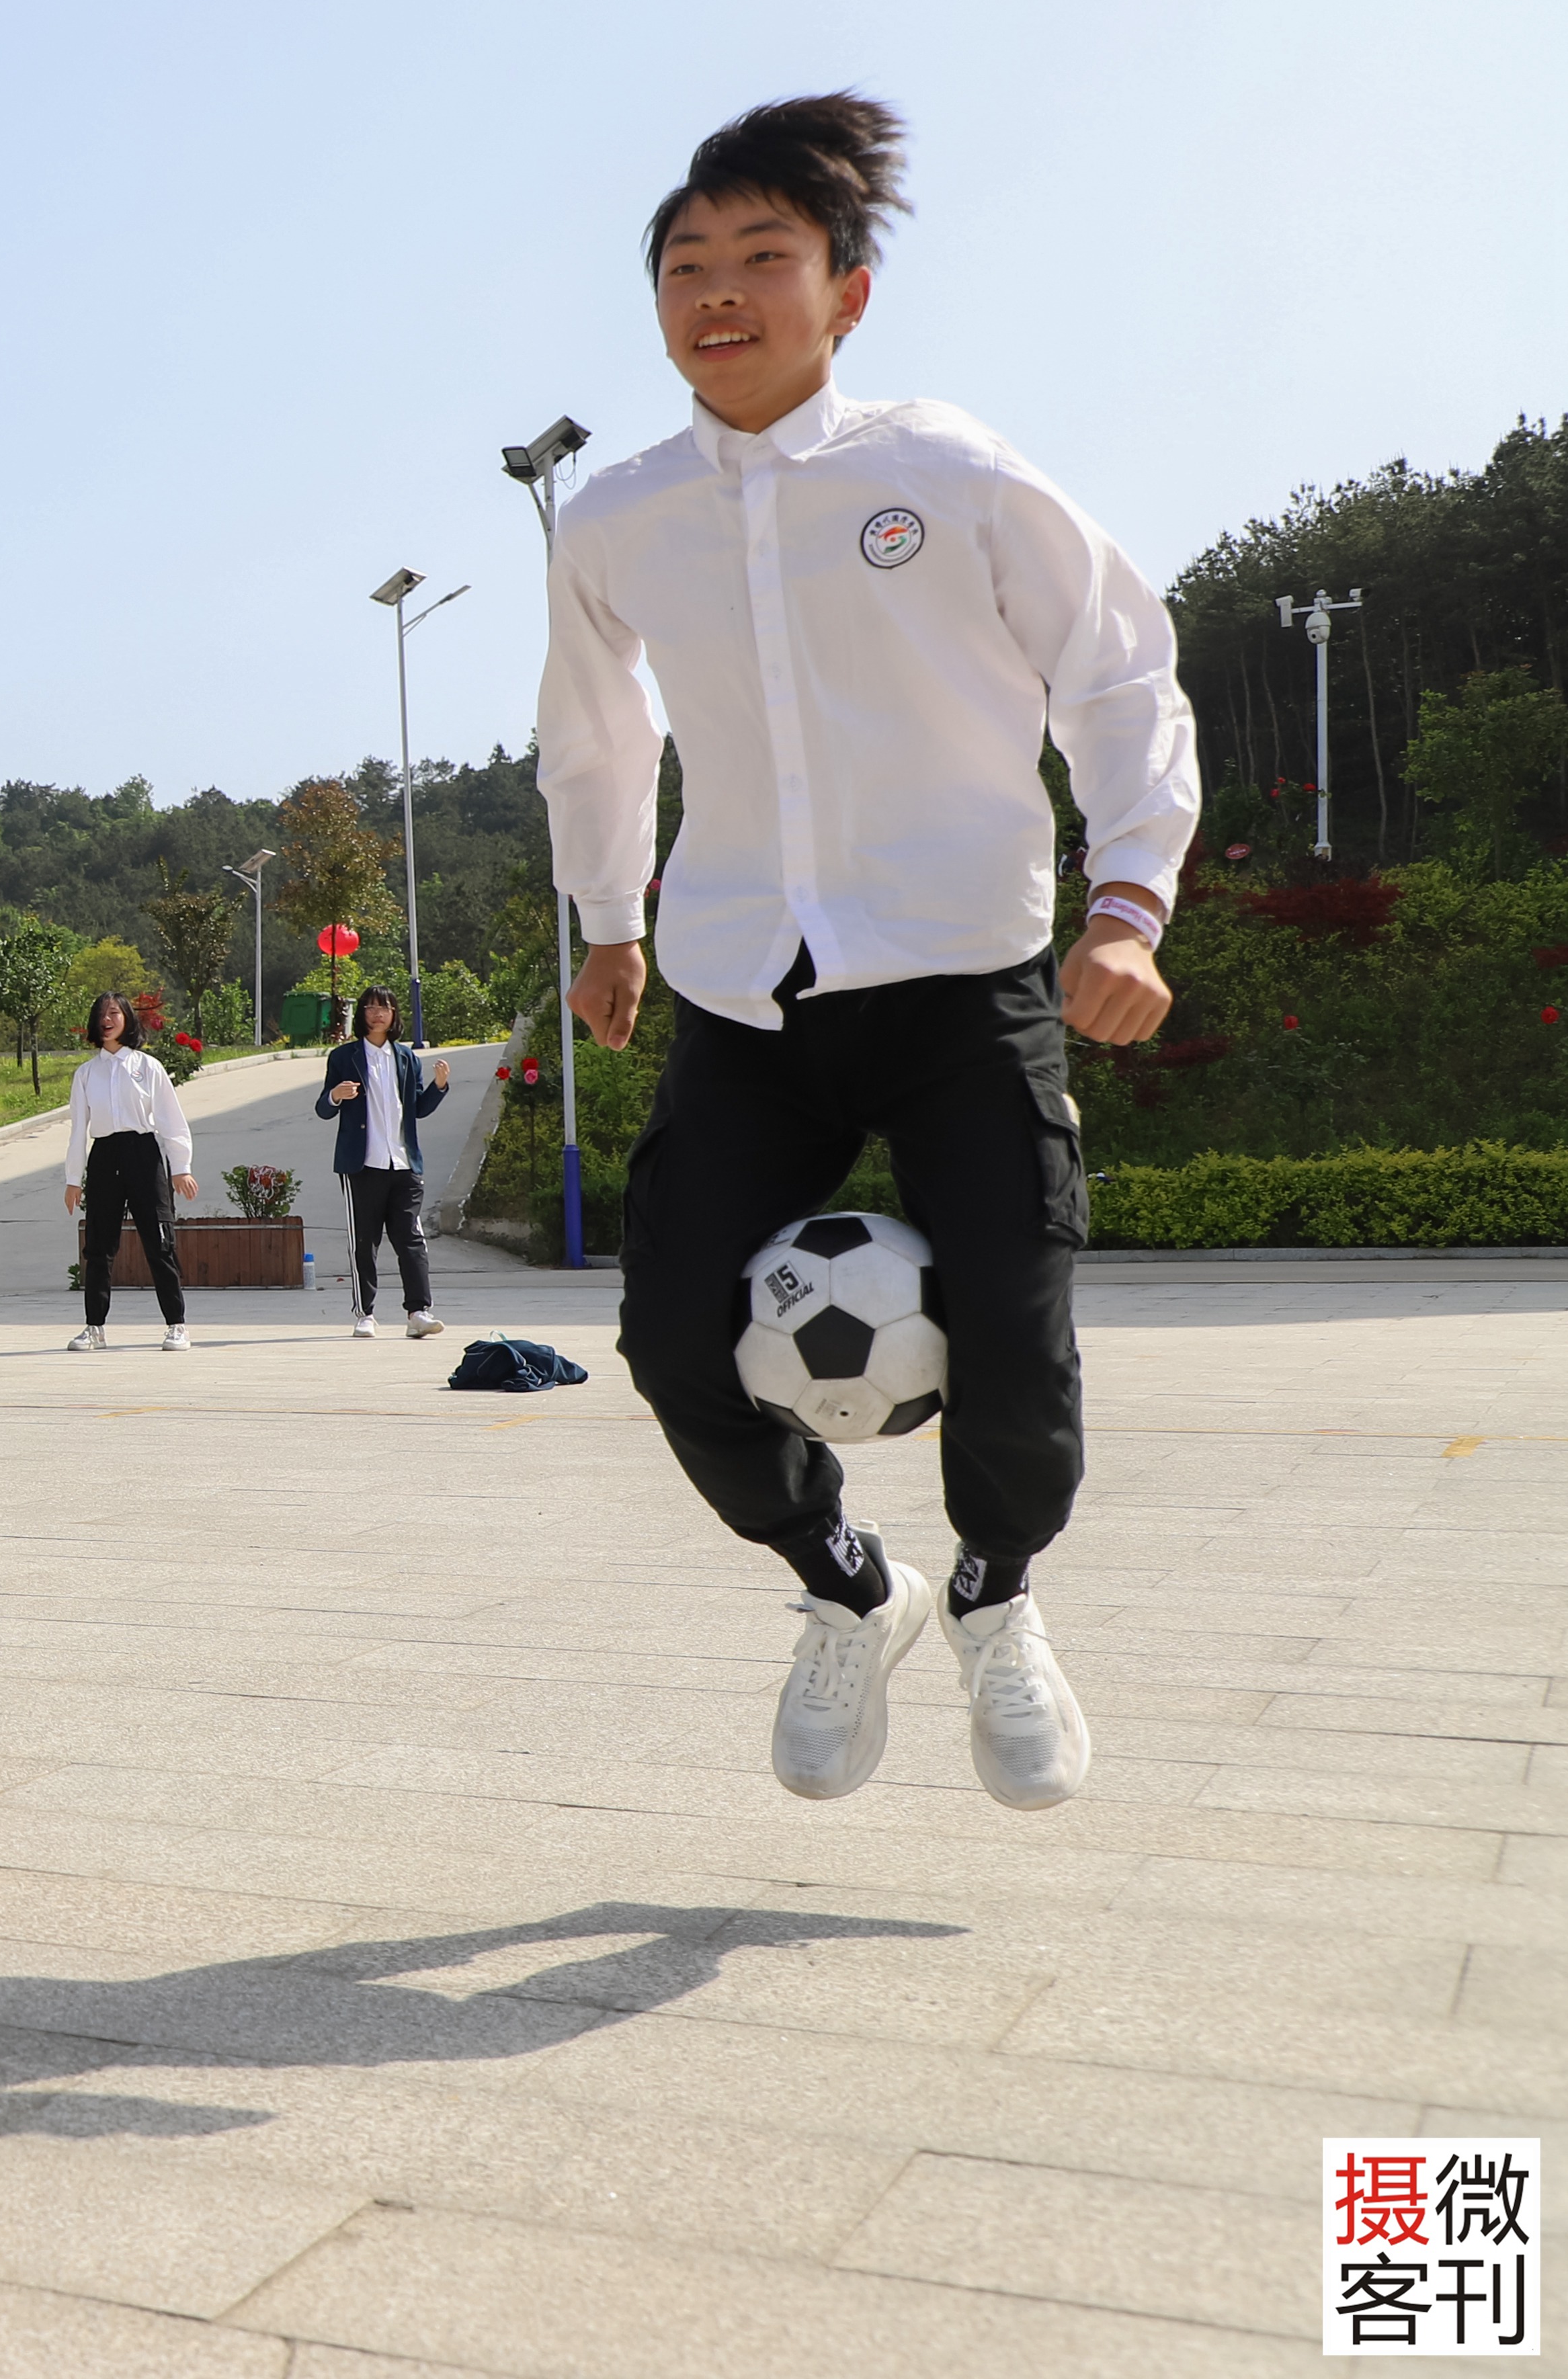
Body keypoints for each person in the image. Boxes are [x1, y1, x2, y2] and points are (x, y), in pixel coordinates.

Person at [542, 93, 1193, 1814]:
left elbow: (1120, 673)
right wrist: (606, 921)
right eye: (686, 264)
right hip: (744, 991)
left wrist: (1128, 906)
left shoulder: (948, 469)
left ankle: (992, 1598)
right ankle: (848, 1585)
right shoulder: (612, 516)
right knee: (675, 1337)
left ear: (848, 290)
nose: (719, 293)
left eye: (765, 258)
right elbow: (593, 738)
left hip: (959, 980)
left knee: (1013, 1332)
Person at [312, 985, 450, 1340]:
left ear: (394, 1016)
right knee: (364, 1240)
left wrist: (438, 1086)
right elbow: (323, 1109)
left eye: (385, 1008)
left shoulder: (405, 1059)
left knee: (411, 1239)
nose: (378, 1014)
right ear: (362, 1015)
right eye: (371, 1008)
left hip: (403, 1163)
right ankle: (366, 1314)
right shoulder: (344, 1057)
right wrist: (335, 1096)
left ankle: (418, 1312)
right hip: (362, 1164)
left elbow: (417, 1109)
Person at [63, 992, 195, 1352]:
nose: (108, 1019)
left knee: (159, 1241)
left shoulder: (147, 1067)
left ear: (128, 1019)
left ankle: (177, 1325)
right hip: (105, 1155)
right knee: (99, 1247)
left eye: (115, 1013)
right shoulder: (87, 1074)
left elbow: (170, 1119)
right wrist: (74, 1179)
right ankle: (95, 1328)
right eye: (102, 1014)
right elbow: (78, 1130)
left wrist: (181, 1167)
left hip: (144, 1153)